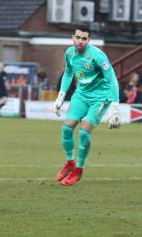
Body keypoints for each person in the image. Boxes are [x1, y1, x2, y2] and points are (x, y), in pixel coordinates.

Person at [52, 25, 122, 186]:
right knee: (66, 128)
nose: (80, 41)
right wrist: (61, 96)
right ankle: (70, 163)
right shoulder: (69, 53)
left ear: (89, 40)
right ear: (73, 37)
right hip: (81, 95)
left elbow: (112, 79)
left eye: (84, 38)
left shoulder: (98, 56)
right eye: (78, 37)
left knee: (84, 132)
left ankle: (79, 170)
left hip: (100, 98)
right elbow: (69, 73)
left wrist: (115, 107)